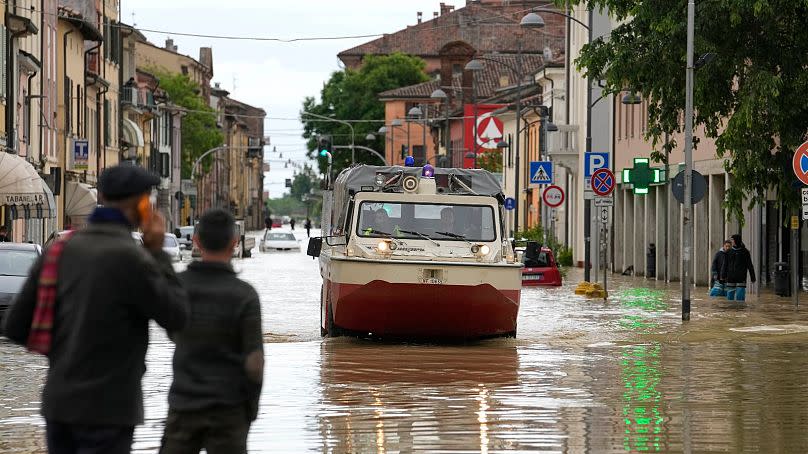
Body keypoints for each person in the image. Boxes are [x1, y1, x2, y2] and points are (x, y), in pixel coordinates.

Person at [2, 165, 189, 454]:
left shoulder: (59, 249)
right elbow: (178, 317)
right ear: (141, 204)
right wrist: (158, 253)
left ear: (101, 196)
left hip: (59, 405)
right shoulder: (134, 259)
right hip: (110, 410)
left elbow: (15, 326)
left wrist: (63, 354)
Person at [159, 209, 264, 454]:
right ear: (234, 243)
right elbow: (255, 362)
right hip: (230, 409)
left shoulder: (178, 286)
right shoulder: (245, 295)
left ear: (196, 241)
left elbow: (170, 330)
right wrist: (250, 408)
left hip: (185, 405)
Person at [722, 234, 756, 301]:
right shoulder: (729, 252)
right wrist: (723, 275)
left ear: (737, 240)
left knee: (740, 299)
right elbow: (725, 264)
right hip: (730, 277)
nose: (732, 241)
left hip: (741, 277)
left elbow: (750, 265)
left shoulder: (745, 252)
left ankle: (740, 310)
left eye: (733, 240)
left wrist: (753, 277)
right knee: (730, 299)